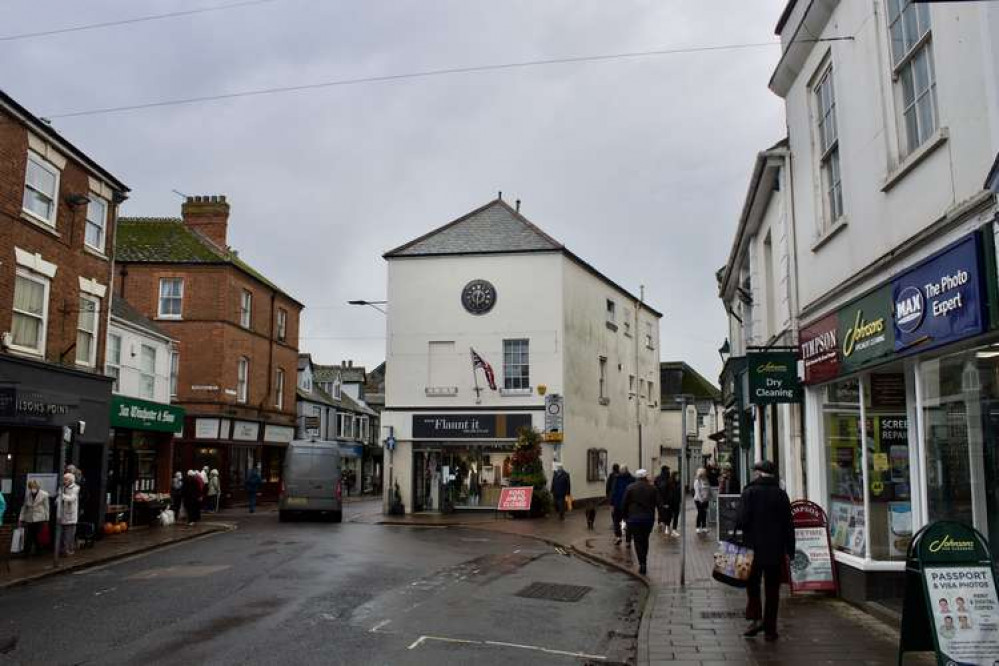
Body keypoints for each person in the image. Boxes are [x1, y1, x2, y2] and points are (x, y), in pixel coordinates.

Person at [737, 460, 795, 642]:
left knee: (752, 585)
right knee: (772, 589)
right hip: (775, 550)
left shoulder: (749, 493)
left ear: (759, 474)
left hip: (751, 549)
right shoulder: (781, 495)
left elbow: (741, 521)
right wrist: (790, 550)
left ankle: (755, 619)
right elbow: (788, 525)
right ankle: (770, 629)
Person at [622, 469, 659, 575]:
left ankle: (642, 563)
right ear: (645, 477)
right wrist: (662, 518)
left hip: (634, 518)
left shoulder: (630, 488)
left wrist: (625, 517)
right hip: (648, 518)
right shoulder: (652, 489)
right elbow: (659, 503)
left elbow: (624, 503)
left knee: (637, 541)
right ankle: (644, 560)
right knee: (645, 539)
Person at [18, 480, 50, 556]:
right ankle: (27, 552)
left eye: (34, 487)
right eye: (31, 487)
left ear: (37, 487)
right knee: (29, 535)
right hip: (29, 518)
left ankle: (38, 551)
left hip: (40, 518)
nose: (32, 489)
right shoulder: (28, 495)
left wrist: (47, 519)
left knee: (37, 535)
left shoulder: (44, 494)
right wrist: (21, 518)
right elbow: (24, 507)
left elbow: (46, 508)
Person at [611, 465, 635, 545]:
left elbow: (614, 492)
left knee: (617, 521)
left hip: (619, 503)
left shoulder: (617, 479)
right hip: (628, 504)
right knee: (628, 522)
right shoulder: (632, 479)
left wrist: (612, 504)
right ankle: (627, 540)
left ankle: (619, 537)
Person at [58, 472, 79, 556]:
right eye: (64, 479)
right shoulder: (62, 488)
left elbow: (71, 498)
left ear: (70, 480)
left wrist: (62, 496)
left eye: (66, 479)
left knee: (69, 535)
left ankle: (69, 550)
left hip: (70, 516)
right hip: (62, 515)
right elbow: (59, 498)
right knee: (62, 535)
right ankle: (63, 550)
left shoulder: (75, 488)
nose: (64, 481)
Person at [654, 466, 671, 534]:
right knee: (666, 512)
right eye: (668, 470)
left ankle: (661, 523)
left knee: (660, 511)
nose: (669, 471)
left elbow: (655, 487)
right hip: (665, 498)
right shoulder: (667, 478)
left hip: (658, 498)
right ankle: (665, 525)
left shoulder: (658, 478)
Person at [693, 468, 711, 534]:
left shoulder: (706, 480)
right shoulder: (697, 481)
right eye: (704, 473)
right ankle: (698, 527)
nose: (705, 474)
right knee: (700, 513)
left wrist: (710, 497)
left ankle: (704, 527)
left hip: (706, 500)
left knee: (704, 513)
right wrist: (701, 500)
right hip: (698, 500)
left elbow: (709, 489)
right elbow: (697, 492)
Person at [665, 471, 681, 536]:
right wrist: (665, 502)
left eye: (678, 476)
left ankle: (674, 530)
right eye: (677, 476)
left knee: (676, 516)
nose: (678, 477)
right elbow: (665, 493)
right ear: (674, 476)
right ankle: (667, 527)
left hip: (676, 502)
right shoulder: (668, 483)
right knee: (669, 515)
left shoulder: (679, 483)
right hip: (670, 502)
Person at [605, 463, 620, 532]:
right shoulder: (620, 475)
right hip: (620, 496)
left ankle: (615, 523)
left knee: (613, 511)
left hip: (612, 496)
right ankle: (620, 523)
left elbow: (608, 485)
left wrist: (607, 494)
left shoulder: (611, 475)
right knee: (620, 510)